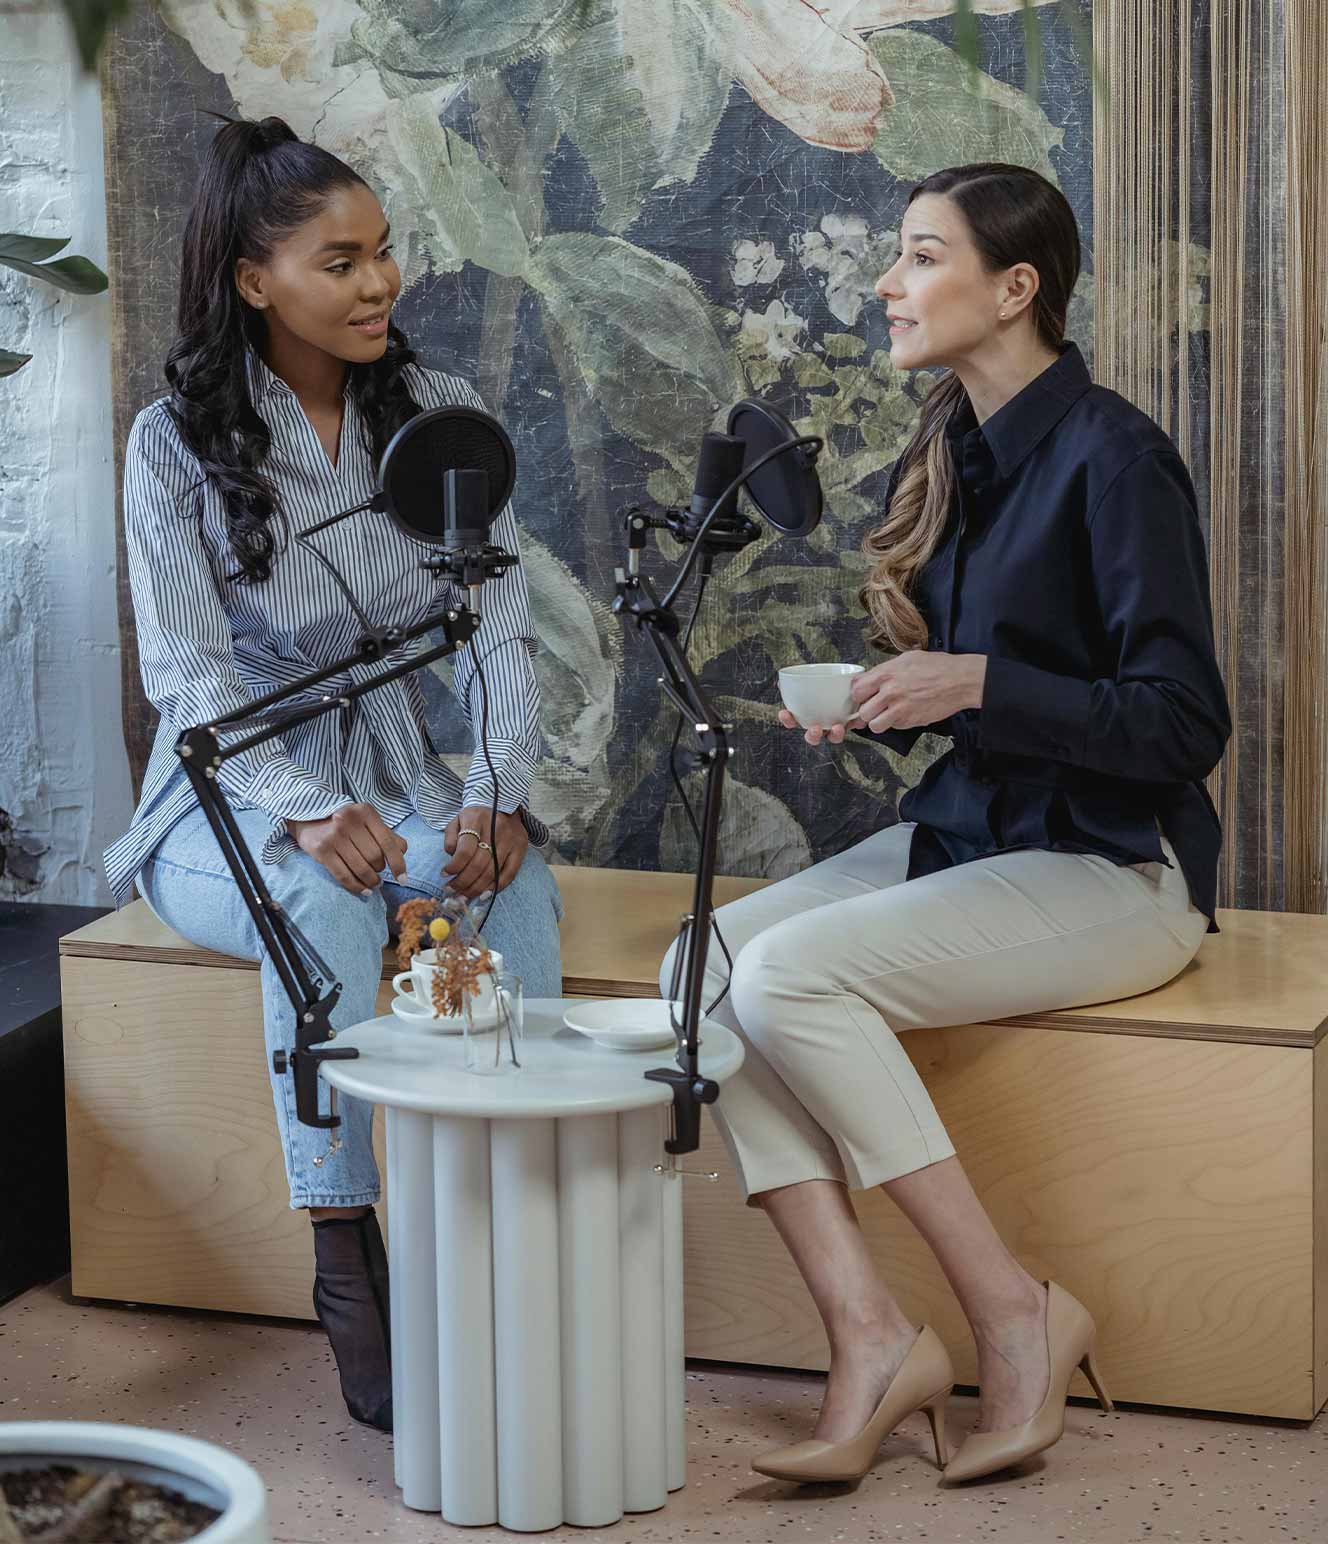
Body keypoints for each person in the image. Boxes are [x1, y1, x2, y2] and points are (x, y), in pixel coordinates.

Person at [660, 162, 1230, 1486]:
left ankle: (1014, 1314)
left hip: (1112, 867)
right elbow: (996, 700)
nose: (887, 283)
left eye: (921, 256)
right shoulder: (948, 448)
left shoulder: (1117, 456)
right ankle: (868, 1335)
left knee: (790, 973)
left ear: (1014, 286)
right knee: (703, 966)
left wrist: (979, 683)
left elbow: (1181, 723)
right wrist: (891, 703)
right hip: (972, 836)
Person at [103, 115, 563, 1433]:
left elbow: (499, 627)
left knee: (508, 896)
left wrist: (492, 795)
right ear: (257, 281)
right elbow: (185, 672)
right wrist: (301, 808)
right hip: (224, 801)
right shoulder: (170, 443)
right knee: (324, 910)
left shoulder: (435, 426)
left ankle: (495, 1219)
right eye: (340, 260)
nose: (379, 284)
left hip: (394, 780)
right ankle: (344, 1256)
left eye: (385, 254)